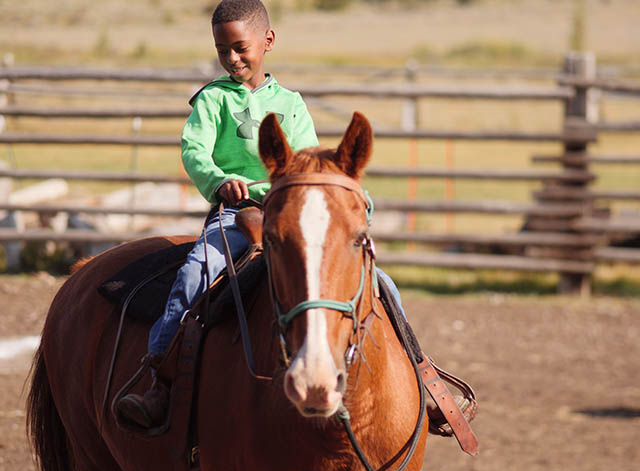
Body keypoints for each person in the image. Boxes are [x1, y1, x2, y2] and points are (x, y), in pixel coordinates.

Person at [117, 0, 468, 431]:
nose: (232, 58)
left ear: (268, 41)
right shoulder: (212, 100)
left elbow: (312, 164)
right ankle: (159, 380)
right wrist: (219, 180)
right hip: (237, 214)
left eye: (240, 48)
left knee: (384, 286)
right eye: (222, 49)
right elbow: (194, 152)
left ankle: (423, 380)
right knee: (195, 274)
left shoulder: (291, 103)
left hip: (292, 214)